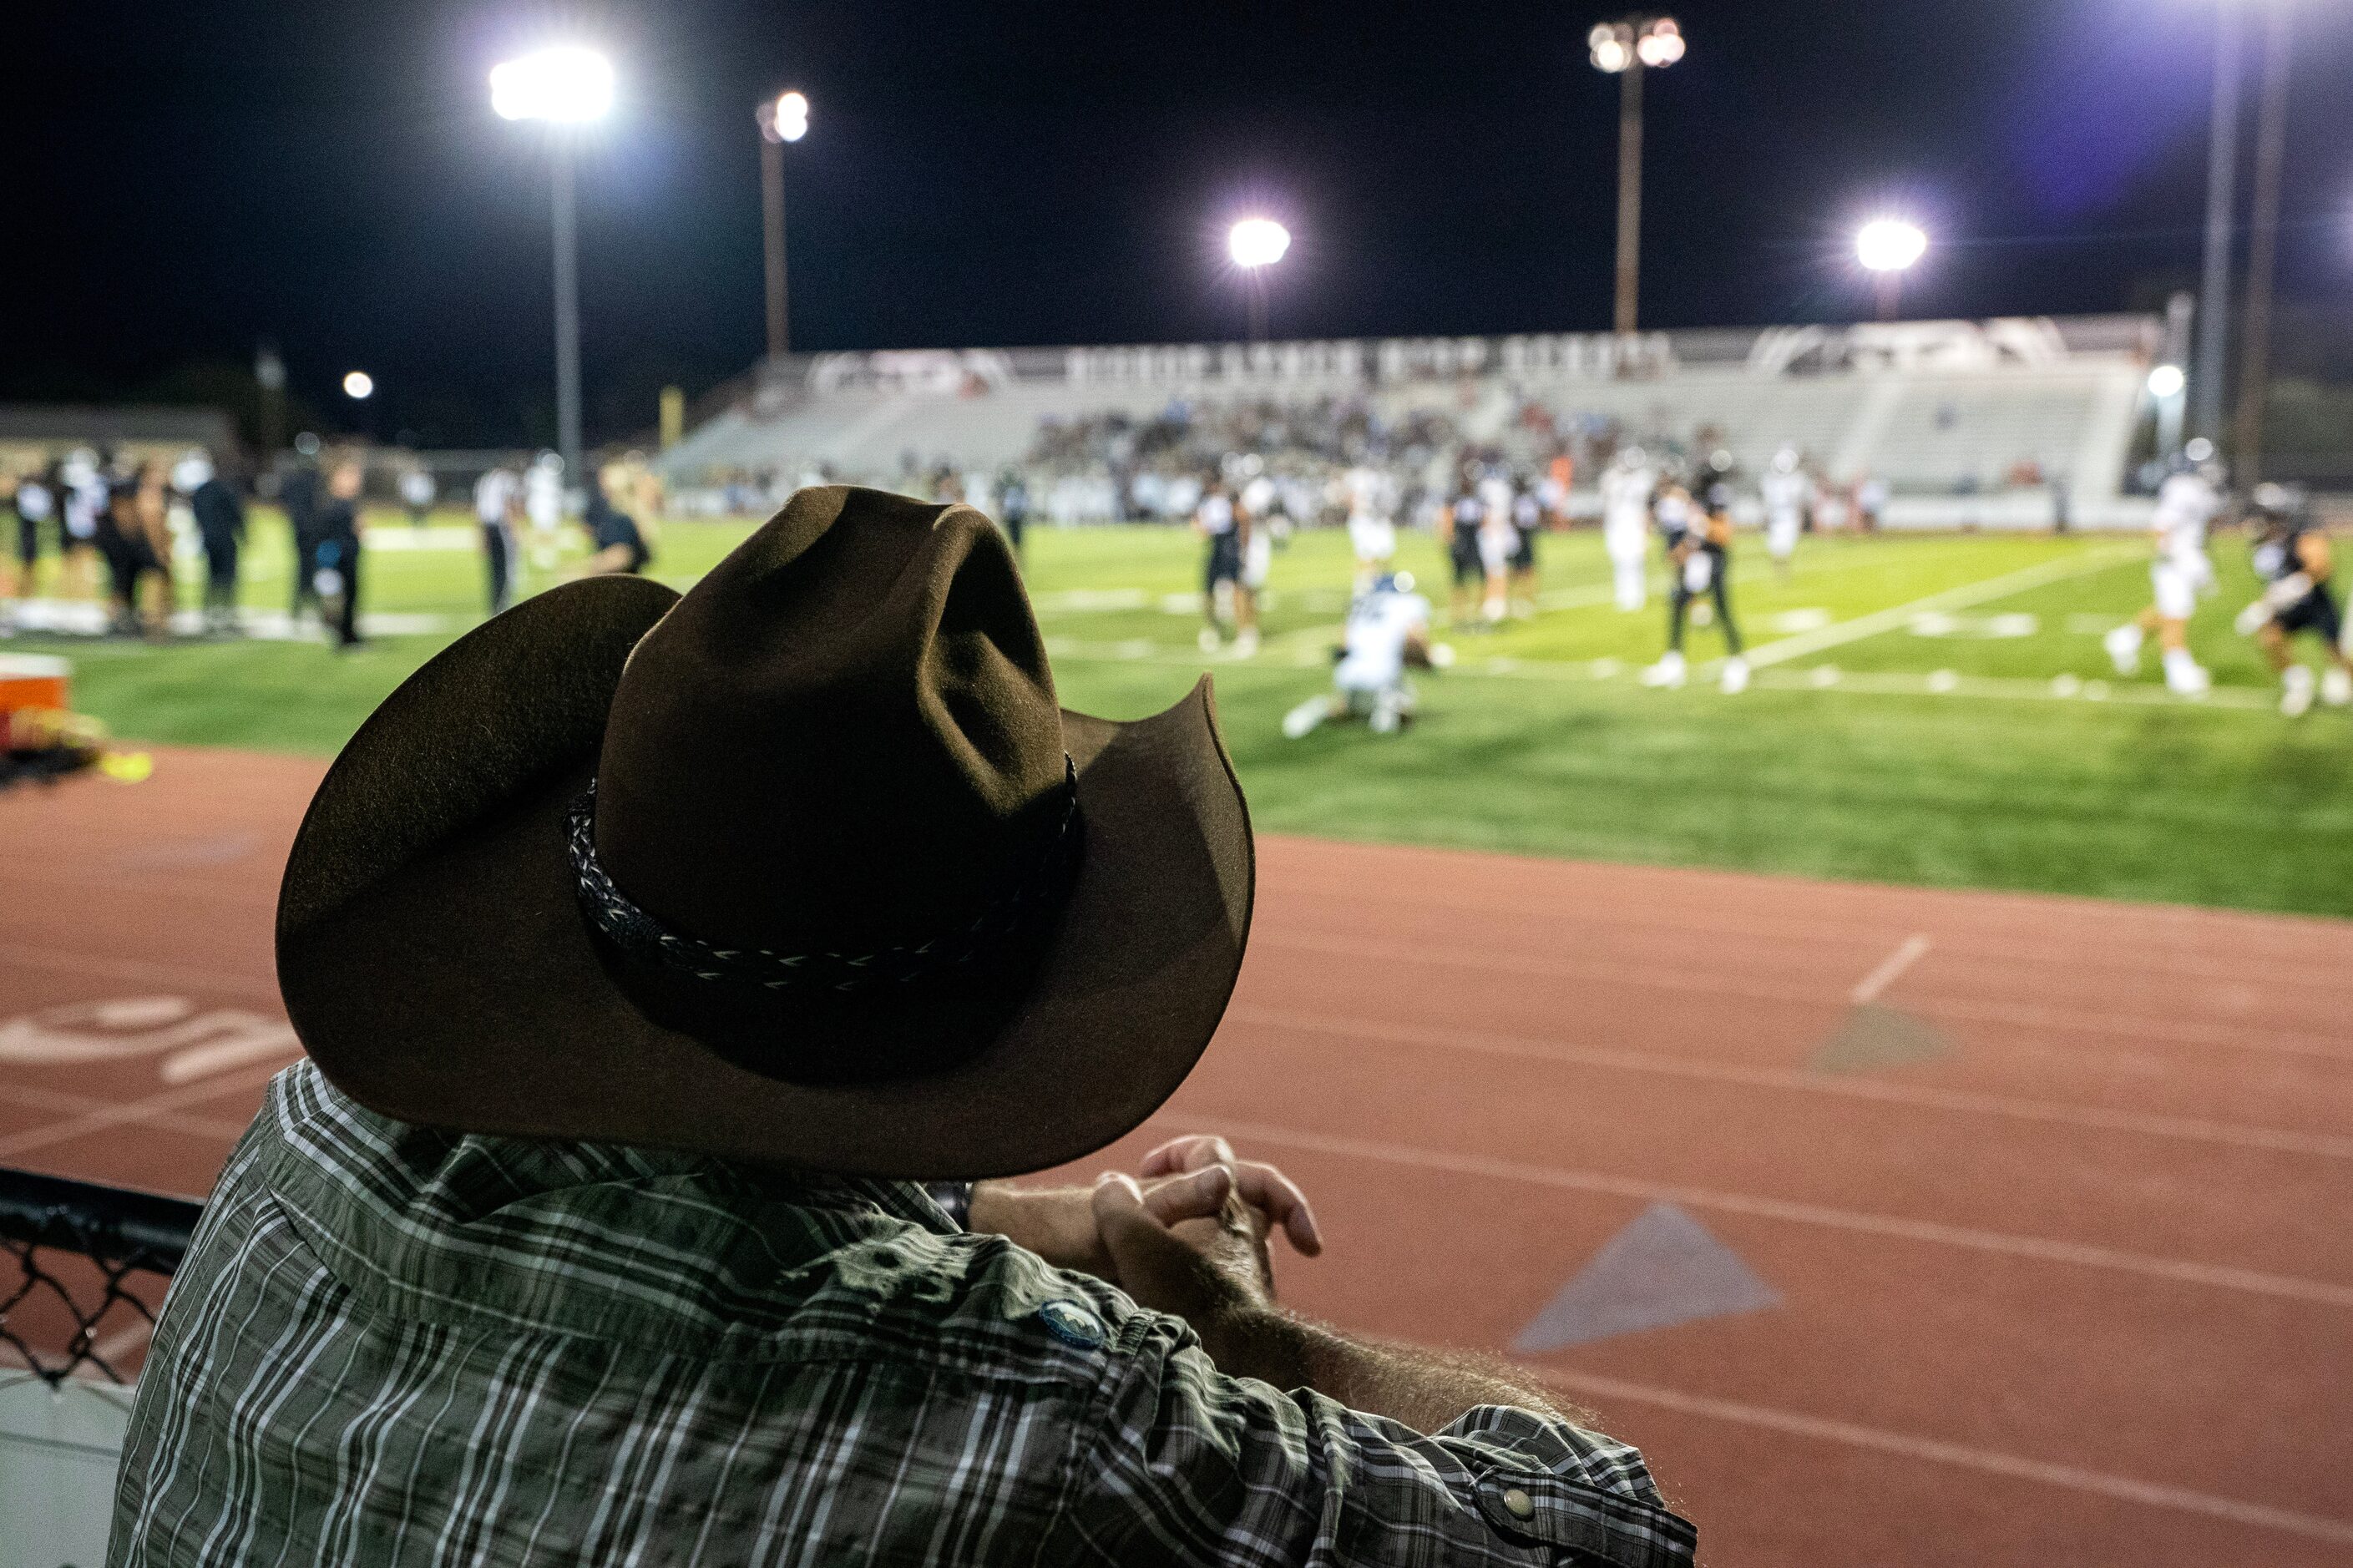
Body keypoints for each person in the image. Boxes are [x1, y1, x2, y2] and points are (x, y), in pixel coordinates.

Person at [111, 487, 1695, 1568]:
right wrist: (1237, 1330)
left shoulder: (311, 1132)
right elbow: (1600, 1525)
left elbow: (694, 1207)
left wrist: (1052, 1219)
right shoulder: (1046, 1420)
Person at [2104, 453, 2222, 696]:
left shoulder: (2197, 491)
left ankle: (2125, 640)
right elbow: (2161, 528)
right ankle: (2178, 673)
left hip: (2184, 560)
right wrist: (2181, 558)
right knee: (2176, 616)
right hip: (2174, 564)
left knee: (2167, 610)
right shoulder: (2183, 490)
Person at [1283, 569, 1450, 737]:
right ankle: (1388, 706)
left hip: (1347, 675)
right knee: (1403, 694)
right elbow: (1415, 641)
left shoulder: (1361, 603)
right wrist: (1428, 662)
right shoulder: (1409, 604)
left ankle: (1325, 708)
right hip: (1382, 674)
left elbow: (1343, 646)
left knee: (1347, 709)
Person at [2234, 483, 2353, 716]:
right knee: (2270, 638)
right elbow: (2274, 580)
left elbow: (2321, 567)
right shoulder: (2264, 545)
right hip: (2287, 606)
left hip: (2315, 603)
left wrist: (2293, 587)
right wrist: (2265, 606)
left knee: (2336, 652)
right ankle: (2298, 685)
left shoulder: (2303, 534)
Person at [1644, 462, 1748, 693]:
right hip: (1694, 560)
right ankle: (1673, 662)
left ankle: (1737, 663)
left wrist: (1704, 527)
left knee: (1723, 610)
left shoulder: (1716, 497)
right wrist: (1682, 551)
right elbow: (1689, 535)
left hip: (1714, 560)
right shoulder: (1690, 499)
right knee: (1677, 606)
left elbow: (1723, 534)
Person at [186, 456, 246, 635]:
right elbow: (237, 513)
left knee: (211, 576)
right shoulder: (228, 489)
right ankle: (227, 614)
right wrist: (244, 534)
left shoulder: (202, 490)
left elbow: (196, 512)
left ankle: (209, 613)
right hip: (226, 539)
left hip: (209, 538)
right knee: (228, 577)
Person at [1194, 477, 1254, 655]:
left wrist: (1244, 548)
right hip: (1215, 545)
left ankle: (1244, 632)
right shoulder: (1205, 500)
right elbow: (1199, 523)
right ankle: (1213, 628)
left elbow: (1243, 518)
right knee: (1207, 590)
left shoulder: (1230, 497)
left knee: (1238, 588)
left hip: (1230, 545)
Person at [311, 458, 366, 649]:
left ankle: (348, 633)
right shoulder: (335, 505)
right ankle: (345, 636)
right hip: (339, 559)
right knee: (340, 599)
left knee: (350, 597)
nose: (355, 480)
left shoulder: (343, 503)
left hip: (347, 556)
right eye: (349, 475)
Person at [1601, 446, 1657, 612]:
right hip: (1617, 524)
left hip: (1634, 524)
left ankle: (1636, 596)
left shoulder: (1643, 479)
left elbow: (1649, 506)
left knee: (1635, 561)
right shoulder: (1611, 478)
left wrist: (1648, 526)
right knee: (1620, 560)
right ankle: (1623, 596)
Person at [576, 463, 654, 578]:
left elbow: (621, 555)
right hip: (627, 582)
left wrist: (585, 573)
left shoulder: (620, 517)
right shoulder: (629, 512)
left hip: (618, 586)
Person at [279, 446, 324, 622]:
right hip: (314, 531)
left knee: (302, 568)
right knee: (315, 568)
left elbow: (284, 503)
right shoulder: (317, 480)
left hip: (298, 530)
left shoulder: (291, 480)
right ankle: (314, 606)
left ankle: (298, 607)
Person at [473, 460, 524, 615]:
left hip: (488, 527)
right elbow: (508, 505)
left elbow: (478, 511)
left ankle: (494, 605)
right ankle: (503, 606)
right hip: (502, 528)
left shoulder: (483, 480)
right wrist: (515, 531)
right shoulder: (507, 480)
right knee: (507, 569)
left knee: (494, 570)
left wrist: (481, 536)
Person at [1440, 468, 1486, 627]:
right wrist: (1450, 542)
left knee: (1480, 578)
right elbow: (1447, 521)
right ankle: (1459, 615)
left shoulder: (1477, 499)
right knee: (1459, 581)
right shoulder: (1454, 499)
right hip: (1461, 543)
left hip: (1473, 543)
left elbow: (1483, 521)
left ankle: (1477, 613)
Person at [1342, 463, 1396, 592]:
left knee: (1379, 556)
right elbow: (1351, 499)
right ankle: (1366, 586)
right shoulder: (1364, 480)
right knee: (1368, 557)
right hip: (1365, 520)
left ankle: (1375, 584)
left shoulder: (1375, 479)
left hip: (1374, 520)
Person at [1759, 447, 1811, 580]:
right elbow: (1768, 503)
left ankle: (1783, 573)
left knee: (1785, 548)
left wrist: (1800, 519)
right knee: (1776, 548)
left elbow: (1796, 502)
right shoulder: (1771, 481)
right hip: (1777, 518)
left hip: (1787, 518)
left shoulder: (1794, 480)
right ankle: (1780, 574)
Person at [5, 468, 53, 609]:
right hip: (28, 535)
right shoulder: (29, 492)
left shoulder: (31, 492)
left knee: (31, 563)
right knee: (27, 562)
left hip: (35, 535)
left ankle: (28, 592)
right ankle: (24, 592)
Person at [1507, 476, 1543, 618]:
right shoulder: (1518, 501)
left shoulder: (1523, 501)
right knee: (1520, 571)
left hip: (1524, 538)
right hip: (1520, 539)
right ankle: (1520, 599)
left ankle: (1526, 599)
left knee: (1526, 570)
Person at [524, 449, 564, 571]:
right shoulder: (534, 474)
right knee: (541, 531)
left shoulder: (553, 475)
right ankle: (541, 555)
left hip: (549, 506)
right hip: (540, 506)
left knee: (549, 532)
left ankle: (547, 556)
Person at [997, 466, 1030, 559]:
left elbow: (1023, 500)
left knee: (1016, 537)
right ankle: (1015, 555)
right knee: (1012, 537)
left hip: (1016, 514)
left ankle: (1017, 556)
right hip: (1011, 514)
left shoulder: (1019, 487)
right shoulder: (1008, 487)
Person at [398, 463, 436, 528]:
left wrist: (428, 499)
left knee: (422, 514)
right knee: (413, 514)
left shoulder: (426, 479)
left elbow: (429, 489)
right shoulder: (409, 478)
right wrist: (406, 498)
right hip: (413, 499)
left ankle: (422, 525)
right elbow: (406, 489)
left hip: (422, 500)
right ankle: (414, 525)